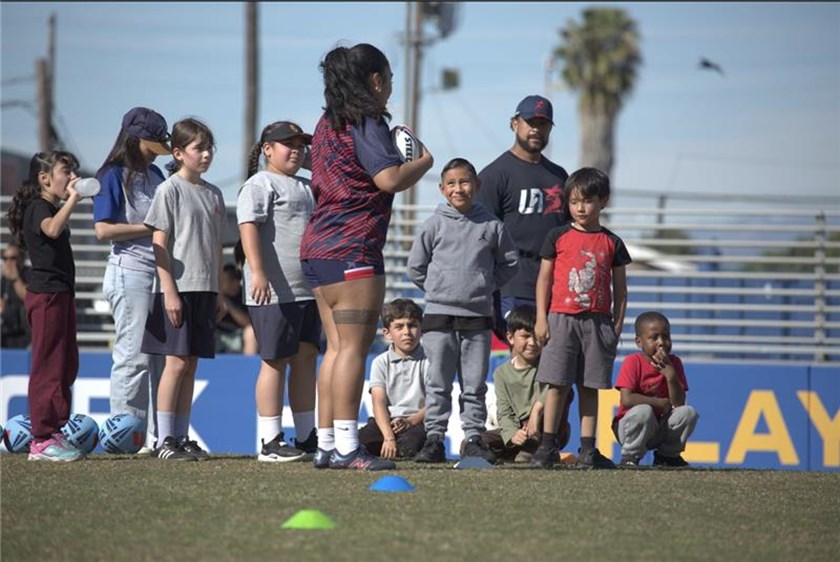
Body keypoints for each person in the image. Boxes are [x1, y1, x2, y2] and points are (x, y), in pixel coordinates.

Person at [299, 43, 434, 471]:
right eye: (389, 79)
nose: (390, 88)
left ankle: (325, 445)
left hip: (317, 247)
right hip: (353, 247)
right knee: (352, 351)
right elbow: (389, 178)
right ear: (375, 80)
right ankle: (347, 448)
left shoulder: (325, 123)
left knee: (335, 350)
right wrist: (425, 162)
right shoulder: (367, 120)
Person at [408, 157, 519, 464]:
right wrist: (438, 290)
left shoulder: (492, 225)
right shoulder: (433, 224)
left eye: (465, 181)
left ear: (477, 185)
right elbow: (415, 267)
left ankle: (473, 438)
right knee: (438, 384)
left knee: (473, 385)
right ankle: (433, 439)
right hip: (438, 316)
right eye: (452, 184)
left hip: (478, 317)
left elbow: (510, 263)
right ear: (443, 189)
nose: (460, 188)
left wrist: (484, 286)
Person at [531, 167, 631, 469]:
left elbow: (621, 290)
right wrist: (541, 318)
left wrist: (615, 326)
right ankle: (547, 446)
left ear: (604, 202)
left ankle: (588, 449)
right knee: (557, 385)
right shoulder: (557, 236)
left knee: (590, 386)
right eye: (574, 201)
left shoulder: (612, 243)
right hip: (561, 319)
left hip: (597, 323)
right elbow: (544, 280)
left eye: (587, 201)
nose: (580, 207)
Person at [141, 118, 227, 461]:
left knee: (191, 365)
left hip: (205, 289)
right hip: (177, 288)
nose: (205, 155)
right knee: (174, 364)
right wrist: (170, 292)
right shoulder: (169, 190)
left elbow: (217, 246)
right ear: (178, 153)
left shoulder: (215, 194)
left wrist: (218, 289)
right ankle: (164, 440)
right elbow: (158, 244)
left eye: (209, 148)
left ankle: (180, 435)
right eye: (198, 148)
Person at [237, 120, 321, 463]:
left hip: (307, 289)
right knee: (274, 362)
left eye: (301, 144)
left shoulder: (307, 185)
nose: (297, 149)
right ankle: (270, 440)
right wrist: (257, 272)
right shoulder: (259, 183)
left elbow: (325, 170)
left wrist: (309, 160)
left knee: (305, 361)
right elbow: (248, 227)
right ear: (267, 148)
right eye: (288, 143)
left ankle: (305, 436)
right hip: (273, 289)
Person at [93, 106, 171, 454]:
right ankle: (124, 436)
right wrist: (150, 229)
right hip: (129, 272)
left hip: (159, 275)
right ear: (138, 138)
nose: (159, 147)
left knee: (160, 359)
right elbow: (103, 230)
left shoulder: (156, 174)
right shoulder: (110, 174)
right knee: (133, 356)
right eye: (155, 140)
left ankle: (156, 438)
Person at [6, 151, 84, 461]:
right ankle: (42, 439)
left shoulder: (50, 206)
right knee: (48, 366)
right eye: (66, 171)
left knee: (66, 363)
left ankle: (55, 431)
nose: (71, 177)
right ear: (44, 178)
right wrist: (73, 200)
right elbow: (51, 229)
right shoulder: (39, 207)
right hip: (47, 295)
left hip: (61, 293)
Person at [477, 95, 570, 340]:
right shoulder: (494, 175)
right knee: (521, 355)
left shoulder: (559, 176)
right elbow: (481, 238)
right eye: (530, 122)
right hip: (511, 283)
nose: (536, 130)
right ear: (514, 124)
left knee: (551, 363)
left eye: (543, 124)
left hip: (553, 285)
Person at [481, 304, 573, 463]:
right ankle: (516, 449)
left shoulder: (550, 364)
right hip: (519, 428)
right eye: (525, 336)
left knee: (562, 394)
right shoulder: (501, 373)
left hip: (544, 427)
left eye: (537, 336)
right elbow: (504, 410)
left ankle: (543, 448)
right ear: (510, 337)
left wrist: (536, 411)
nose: (532, 342)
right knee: (474, 444)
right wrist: (512, 435)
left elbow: (560, 389)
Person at [612, 311, 699, 467]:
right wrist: (658, 403)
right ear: (639, 342)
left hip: (660, 427)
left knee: (688, 413)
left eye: (666, 337)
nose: (661, 342)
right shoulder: (633, 361)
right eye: (654, 338)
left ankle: (667, 456)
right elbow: (627, 398)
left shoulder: (674, 363)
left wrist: (671, 376)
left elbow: (679, 403)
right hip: (632, 428)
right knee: (644, 411)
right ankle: (630, 457)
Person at [358, 298, 427, 459]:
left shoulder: (430, 361)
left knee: (412, 446)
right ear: (387, 333)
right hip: (384, 422)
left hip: (417, 423)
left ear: (421, 329)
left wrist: (410, 421)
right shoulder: (380, 362)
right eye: (399, 327)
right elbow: (378, 402)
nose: (407, 332)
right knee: (358, 443)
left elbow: (436, 401)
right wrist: (388, 436)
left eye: (412, 325)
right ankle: (387, 445)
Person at [215, 263, 257, 355]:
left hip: (240, 333)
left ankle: (248, 365)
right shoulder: (215, 296)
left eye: (225, 280)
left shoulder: (245, 296)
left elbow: (248, 322)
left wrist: (229, 305)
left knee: (251, 332)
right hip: (217, 334)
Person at [1, 242, 30, 348]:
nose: (8, 262)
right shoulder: (4, 279)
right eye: (5, 258)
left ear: (20, 259)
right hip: (7, 332)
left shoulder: (28, 274)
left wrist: (15, 279)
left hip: (24, 334)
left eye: (12, 258)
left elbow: (28, 298)